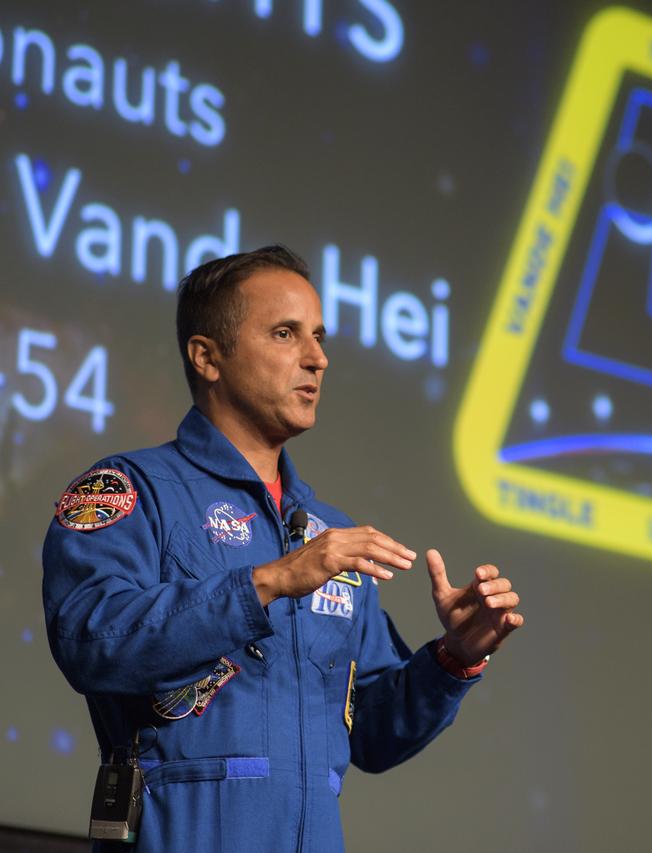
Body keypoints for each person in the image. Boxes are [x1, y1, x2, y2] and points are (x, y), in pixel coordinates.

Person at [42, 245, 523, 852]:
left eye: (319, 336)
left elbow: (372, 735)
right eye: (285, 333)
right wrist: (265, 583)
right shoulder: (128, 490)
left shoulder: (329, 534)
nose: (317, 358)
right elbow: (89, 640)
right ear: (207, 357)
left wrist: (453, 659)